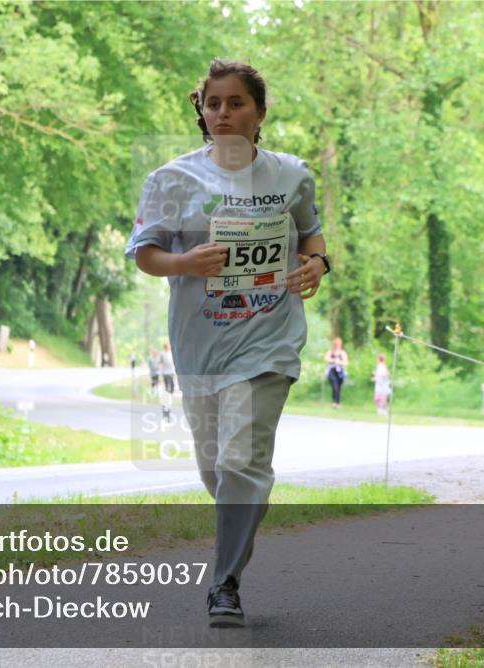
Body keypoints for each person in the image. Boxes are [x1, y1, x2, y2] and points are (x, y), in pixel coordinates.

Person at [126, 59, 328, 627]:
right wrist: (185, 261)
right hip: (201, 347)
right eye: (213, 104)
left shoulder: (291, 174)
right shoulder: (172, 179)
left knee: (241, 459)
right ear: (202, 111)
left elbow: (311, 233)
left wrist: (316, 263)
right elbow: (145, 254)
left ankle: (225, 583)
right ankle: (239, 529)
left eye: (236, 103)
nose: (223, 113)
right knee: (219, 470)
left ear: (260, 113)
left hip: (270, 339)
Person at [325, 337, 349, 408]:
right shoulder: (331, 352)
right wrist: (333, 360)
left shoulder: (342, 353)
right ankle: (334, 402)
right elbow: (326, 358)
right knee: (335, 387)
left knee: (339, 387)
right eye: (335, 344)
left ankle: (337, 403)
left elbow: (346, 362)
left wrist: (339, 362)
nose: (336, 346)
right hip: (332, 372)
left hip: (340, 372)